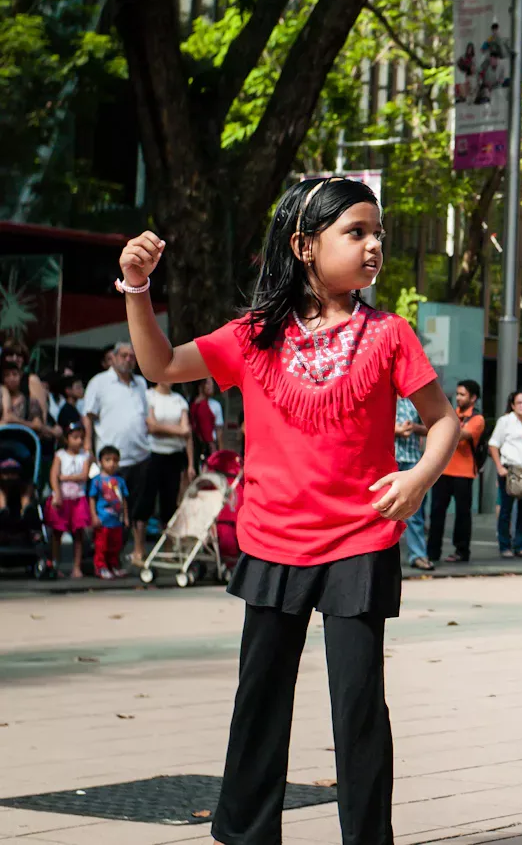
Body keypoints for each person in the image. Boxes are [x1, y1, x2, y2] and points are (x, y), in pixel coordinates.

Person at [114, 175, 458, 844]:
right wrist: (136, 288)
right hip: (272, 544)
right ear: (304, 246)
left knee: (358, 707)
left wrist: (418, 477)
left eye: (376, 234)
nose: (373, 246)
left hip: (361, 542)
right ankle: (246, 836)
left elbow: (441, 420)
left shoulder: (390, 334)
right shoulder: (251, 336)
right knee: (260, 703)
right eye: (356, 232)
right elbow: (160, 364)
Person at [81, 342, 152, 564]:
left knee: (136, 510)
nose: (128, 359)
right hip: (111, 460)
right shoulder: (99, 382)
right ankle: (103, 558)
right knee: (109, 511)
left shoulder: (141, 383)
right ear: (113, 357)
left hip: (140, 455)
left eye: (132, 356)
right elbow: (88, 415)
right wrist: (87, 445)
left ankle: (132, 554)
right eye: (124, 355)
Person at [429, 380, 483, 564]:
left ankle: (462, 551)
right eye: (457, 394)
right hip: (443, 471)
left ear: (473, 398)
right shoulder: (452, 415)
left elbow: (461, 435)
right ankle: (432, 552)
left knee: (462, 515)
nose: (458, 398)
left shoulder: (477, 419)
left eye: (462, 394)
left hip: (464, 473)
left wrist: (437, 427)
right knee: (437, 513)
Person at [489, 391, 522, 558]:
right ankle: (504, 545)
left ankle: (520, 545)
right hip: (509, 470)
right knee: (506, 510)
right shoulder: (505, 421)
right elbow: (493, 444)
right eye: (520, 402)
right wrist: (499, 467)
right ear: (513, 405)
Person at [144, 379, 193, 537]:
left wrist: (191, 464)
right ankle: (139, 549)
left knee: (170, 501)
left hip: (174, 456)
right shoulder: (148, 395)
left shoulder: (179, 400)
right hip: (152, 453)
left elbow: (187, 432)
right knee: (147, 499)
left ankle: (168, 544)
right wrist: (178, 430)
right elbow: (151, 426)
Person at [46, 422, 92, 577]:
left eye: (81, 438)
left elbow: (84, 476)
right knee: (57, 533)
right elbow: (54, 476)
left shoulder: (85, 456)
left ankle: (76, 567)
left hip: (78, 498)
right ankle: (55, 564)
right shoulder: (60, 455)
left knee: (78, 534)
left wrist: (65, 477)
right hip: (63, 497)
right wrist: (57, 493)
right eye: (75, 437)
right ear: (67, 439)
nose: (79, 441)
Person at [395, 395, 429, 569]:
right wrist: (395, 430)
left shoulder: (414, 401)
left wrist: (414, 428)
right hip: (389, 460)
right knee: (384, 511)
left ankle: (418, 555)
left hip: (412, 459)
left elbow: (432, 427)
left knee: (414, 512)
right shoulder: (385, 397)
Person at [88, 447, 128, 580]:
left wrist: (126, 517)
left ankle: (113, 565)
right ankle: (101, 567)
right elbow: (92, 499)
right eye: (108, 460)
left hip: (116, 520)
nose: (112, 463)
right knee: (101, 545)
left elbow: (124, 500)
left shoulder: (120, 481)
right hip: (102, 520)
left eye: (115, 460)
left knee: (115, 545)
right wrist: (93, 516)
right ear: (100, 462)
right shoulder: (97, 481)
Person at [190, 377, 220, 462]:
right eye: (208, 383)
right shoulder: (202, 406)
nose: (211, 386)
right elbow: (206, 432)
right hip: (206, 449)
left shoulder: (194, 403)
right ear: (201, 386)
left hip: (197, 447)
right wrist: (214, 451)